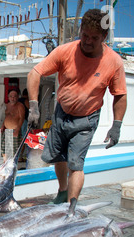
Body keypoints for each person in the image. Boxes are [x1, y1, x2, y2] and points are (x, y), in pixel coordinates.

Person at [27, 8, 127, 204]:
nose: (88, 41)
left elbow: (120, 95)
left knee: (75, 164)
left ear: (104, 37)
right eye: (85, 35)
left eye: (94, 38)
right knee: (57, 157)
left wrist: (117, 126)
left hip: (86, 119)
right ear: (80, 30)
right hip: (61, 113)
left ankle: (71, 207)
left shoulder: (114, 62)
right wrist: (33, 106)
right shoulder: (65, 51)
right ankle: (63, 191)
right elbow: (35, 73)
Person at [1, 89, 26, 161]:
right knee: (4, 148)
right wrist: (3, 126)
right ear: (8, 97)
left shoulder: (20, 106)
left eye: (14, 96)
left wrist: (17, 130)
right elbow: (6, 117)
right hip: (7, 130)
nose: (13, 98)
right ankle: (5, 164)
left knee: (15, 150)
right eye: (11, 96)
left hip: (15, 130)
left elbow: (22, 118)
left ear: (17, 97)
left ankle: (13, 165)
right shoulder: (7, 105)